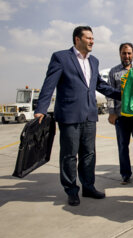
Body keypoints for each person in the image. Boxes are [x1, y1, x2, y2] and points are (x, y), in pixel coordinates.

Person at [34, 26, 122, 206]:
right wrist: (41, 108)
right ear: (77, 39)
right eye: (88, 38)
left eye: (93, 38)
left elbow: (100, 85)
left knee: (89, 154)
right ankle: (71, 190)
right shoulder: (61, 57)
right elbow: (49, 84)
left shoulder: (94, 61)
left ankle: (88, 187)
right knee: (69, 155)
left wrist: (123, 95)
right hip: (69, 115)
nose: (92, 41)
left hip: (90, 115)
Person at [107, 43, 133, 184]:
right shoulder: (114, 72)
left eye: (129, 53)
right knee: (123, 146)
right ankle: (125, 174)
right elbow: (110, 94)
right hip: (121, 116)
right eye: (124, 53)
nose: (127, 56)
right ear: (120, 54)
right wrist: (112, 112)